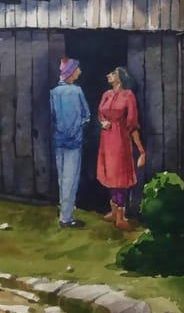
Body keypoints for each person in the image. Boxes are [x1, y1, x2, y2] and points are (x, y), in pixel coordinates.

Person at [97, 66, 146, 232]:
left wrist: (141, 150)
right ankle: (113, 211)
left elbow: (132, 123)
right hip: (107, 139)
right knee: (111, 175)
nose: (108, 75)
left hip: (120, 139)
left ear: (121, 77)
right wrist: (102, 122)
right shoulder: (106, 94)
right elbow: (100, 113)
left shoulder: (128, 95)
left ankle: (120, 216)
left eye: (113, 73)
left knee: (120, 178)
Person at [49, 57, 90, 229]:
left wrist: (61, 129)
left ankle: (65, 212)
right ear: (71, 72)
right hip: (74, 141)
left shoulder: (54, 92)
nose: (79, 71)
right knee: (71, 179)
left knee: (62, 178)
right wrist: (77, 127)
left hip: (59, 140)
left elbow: (52, 117)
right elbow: (86, 115)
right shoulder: (77, 91)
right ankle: (66, 217)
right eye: (77, 69)